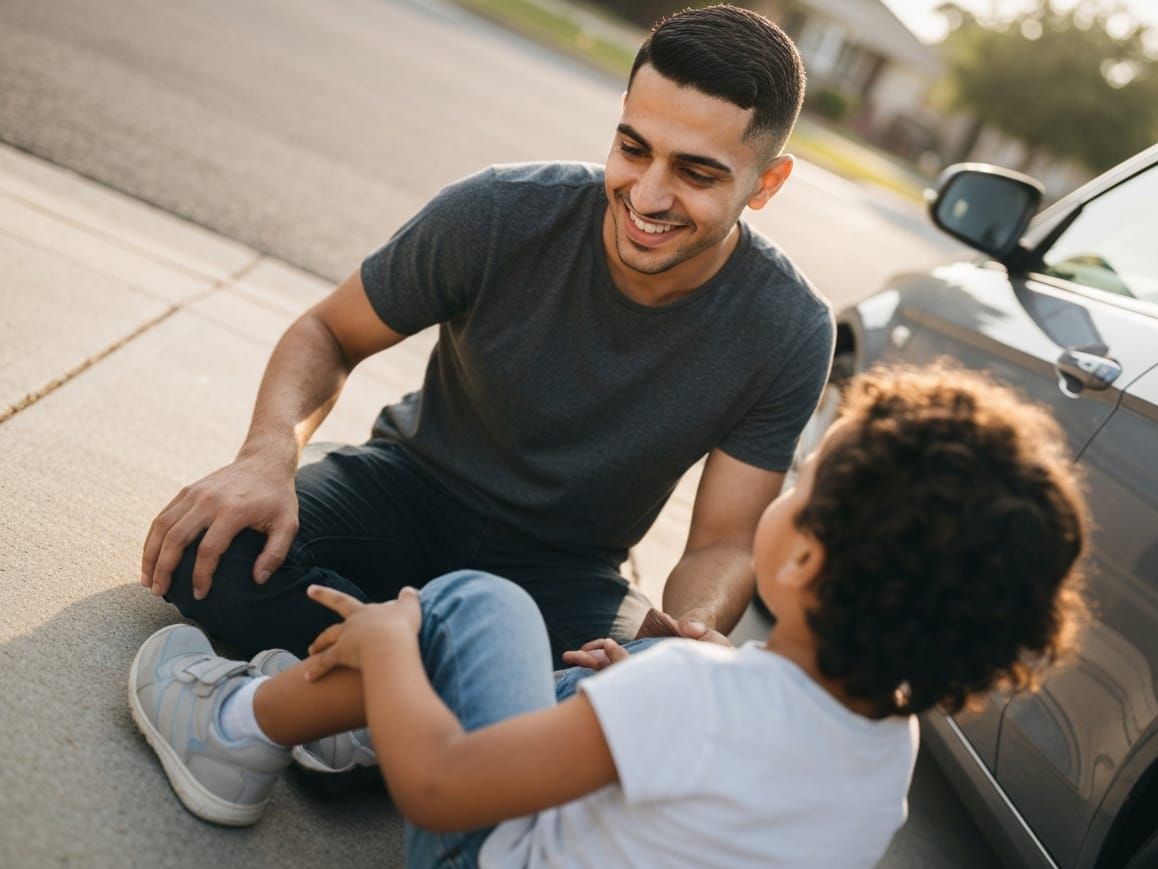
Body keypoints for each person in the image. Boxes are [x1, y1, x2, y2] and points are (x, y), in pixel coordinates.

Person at [138, 5, 834, 749]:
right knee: (214, 556)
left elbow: (724, 540)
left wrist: (693, 627)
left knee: (650, 686)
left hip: (565, 567)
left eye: (696, 172)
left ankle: (345, 697)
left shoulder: (790, 328)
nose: (649, 194)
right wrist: (266, 455)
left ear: (767, 183)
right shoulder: (502, 211)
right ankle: (410, 713)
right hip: (407, 489)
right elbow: (328, 332)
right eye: (634, 148)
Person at [128, 363, 1092, 869]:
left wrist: (388, 655)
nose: (788, 490)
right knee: (619, 663)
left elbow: (444, 790)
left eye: (803, 484)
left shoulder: (698, 696)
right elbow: (748, 757)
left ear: (803, 564)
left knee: (478, 604)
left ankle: (239, 727)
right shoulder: (890, 745)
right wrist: (664, 670)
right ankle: (365, 717)